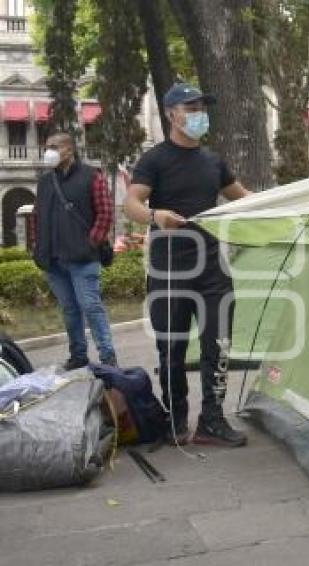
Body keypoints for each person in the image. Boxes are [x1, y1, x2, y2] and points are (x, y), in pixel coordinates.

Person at [124, 83, 252, 448]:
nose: (199, 114)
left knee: (218, 346)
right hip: (169, 272)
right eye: (190, 107)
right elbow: (130, 204)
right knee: (172, 351)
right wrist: (154, 215)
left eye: (202, 108)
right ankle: (176, 419)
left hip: (213, 271)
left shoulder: (214, 162)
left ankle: (211, 421)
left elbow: (245, 200)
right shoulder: (155, 160)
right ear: (171, 114)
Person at [33, 133, 117, 370]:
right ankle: (78, 355)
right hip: (53, 259)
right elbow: (39, 218)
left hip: (82, 258)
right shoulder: (45, 182)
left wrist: (91, 242)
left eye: (54, 146)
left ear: (69, 150)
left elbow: (105, 213)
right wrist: (38, 248)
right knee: (69, 310)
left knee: (90, 306)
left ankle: (107, 356)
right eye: (47, 146)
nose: (48, 151)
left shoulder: (92, 176)